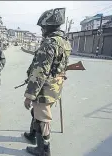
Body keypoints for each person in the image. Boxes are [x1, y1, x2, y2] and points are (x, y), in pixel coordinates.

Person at [23, 8, 71, 156]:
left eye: (43, 26)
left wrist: (29, 95)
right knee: (36, 112)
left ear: (50, 26)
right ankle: (33, 136)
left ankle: (44, 149)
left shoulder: (50, 43)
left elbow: (40, 73)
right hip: (56, 84)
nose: (42, 29)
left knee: (43, 117)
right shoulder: (64, 42)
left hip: (45, 86)